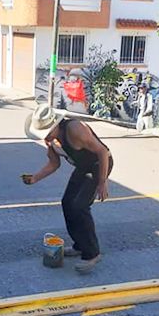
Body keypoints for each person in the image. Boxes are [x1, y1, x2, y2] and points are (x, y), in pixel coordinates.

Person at [22, 103, 113, 274]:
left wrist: (102, 182)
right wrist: (35, 178)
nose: (46, 138)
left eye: (48, 133)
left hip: (99, 164)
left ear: (55, 125)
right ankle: (79, 245)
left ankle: (92, 253)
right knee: (67, 203)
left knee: (80, 206)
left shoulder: (75, 129)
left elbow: (102, 151)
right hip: (83, 167)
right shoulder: (51, 141)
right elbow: (54, 164)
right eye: (43, 134)